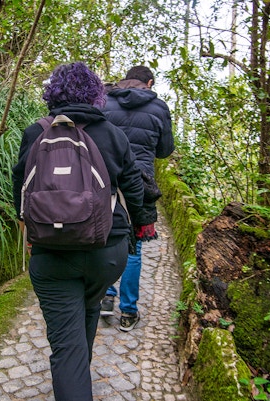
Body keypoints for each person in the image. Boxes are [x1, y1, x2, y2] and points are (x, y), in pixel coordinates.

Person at [12, 62, 144, 401]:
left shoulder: (36, 132)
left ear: (52, 93)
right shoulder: (113, 134)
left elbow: (20, 190)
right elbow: (133, 185)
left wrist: (29, 233)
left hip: (52, 257)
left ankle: (74, 377)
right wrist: (141, 225)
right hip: (106, 252)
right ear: (96, 94)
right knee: (88, 305)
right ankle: (77, 377)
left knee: (66, 344)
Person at [99, 65, 175, 331]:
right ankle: (128, 311)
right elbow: (165, 151)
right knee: (134, 245)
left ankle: (106, 296)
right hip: (140, 183)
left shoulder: (105, 100)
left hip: (105, 178)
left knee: (105, 236)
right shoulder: (159, 107)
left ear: (125, 79)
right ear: (150, 82)